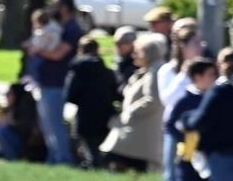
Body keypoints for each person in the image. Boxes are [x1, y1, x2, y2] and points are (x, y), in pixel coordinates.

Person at [160, 58, 219, 181]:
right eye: (210, 74)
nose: (214, 78)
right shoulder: (185, 100)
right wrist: (187, 139)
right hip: (187, 156)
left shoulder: (215, 98)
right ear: (197, 77)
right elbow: (170, 126)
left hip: (209, 157)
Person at [99, 33, 167, 172]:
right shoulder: (147, 71)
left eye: (137, 52)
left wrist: (130, 113)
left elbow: (153, 99)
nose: (133, 56)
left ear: (147, 53)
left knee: (113, 158)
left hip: (140, 131)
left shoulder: (154, 72)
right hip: (136, 131)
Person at [32, 0, 84, 165]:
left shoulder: (72, 29)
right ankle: (53, 157)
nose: (53, 9)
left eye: (56, 6)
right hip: (47, 82)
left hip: (57, 82)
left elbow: (57, 54)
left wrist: (37, 50)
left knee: (55, 123)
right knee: (47, 124)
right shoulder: (59, 27)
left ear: (65, 8)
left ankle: (63, 159)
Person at [65, 36, 118, 168]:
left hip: (85, 116)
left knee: (89, 151)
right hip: (105, 116)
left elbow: (69, 96)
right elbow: (116, 93)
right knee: (101, 149)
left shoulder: (77, 70)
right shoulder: (107, 71)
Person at [0, 83, 47, 162]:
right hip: (19, 145)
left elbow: (26, 131)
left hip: (30, 148)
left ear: (16, 95)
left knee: (3, 131)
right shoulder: (10, 109)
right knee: (0, 132)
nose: (7, 96)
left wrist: (10, 122)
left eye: (9, 94)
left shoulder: (27, 110)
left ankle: (12, 159)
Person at [22, 9, 62, 90]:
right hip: (46, 51)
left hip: (47, 53)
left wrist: (32, 50)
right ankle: (31, 77)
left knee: (35, 64)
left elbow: (40, 45)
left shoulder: (45, 31)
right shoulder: (49, 28)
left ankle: (34, 79)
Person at [112, 25, 140, 90]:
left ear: (133, 43)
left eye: (121, 43)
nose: (118, 46)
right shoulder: (118, 61)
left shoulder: (138, 64)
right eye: (116, 43)